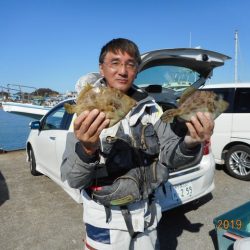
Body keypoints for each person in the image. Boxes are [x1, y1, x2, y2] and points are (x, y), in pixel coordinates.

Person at [61, 38, 214, 250]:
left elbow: (171, 154)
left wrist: (191, 142)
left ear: (136, 70)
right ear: (101, 68)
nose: (123, 71)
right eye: (114, 62)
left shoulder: (151, 108)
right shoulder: (86, 110)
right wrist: (87, 149)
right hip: (106, 221)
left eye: (130, 64)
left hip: (148, 214)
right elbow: (74, 179)